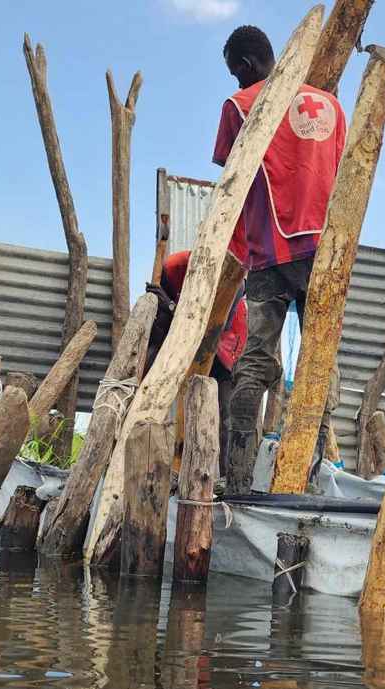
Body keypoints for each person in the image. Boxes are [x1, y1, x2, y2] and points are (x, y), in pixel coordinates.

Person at [214, 24, 346, 494]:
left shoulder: (242, 105)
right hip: (325, 250)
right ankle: (305, 479)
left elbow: (230, 177)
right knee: (320, 359)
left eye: (236, 73)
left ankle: (238, 482)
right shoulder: (330, 106)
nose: (236, 82)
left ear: (246, 66)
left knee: (255, 359)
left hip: (269, 250)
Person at [144, 249, 248, 458]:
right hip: (183, 335)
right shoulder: (174, 268)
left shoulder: (234, 279)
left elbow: (216, 327)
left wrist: (173, 307)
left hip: (225, 345)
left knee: (222, 415)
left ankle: (225, 477)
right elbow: (163, 312)